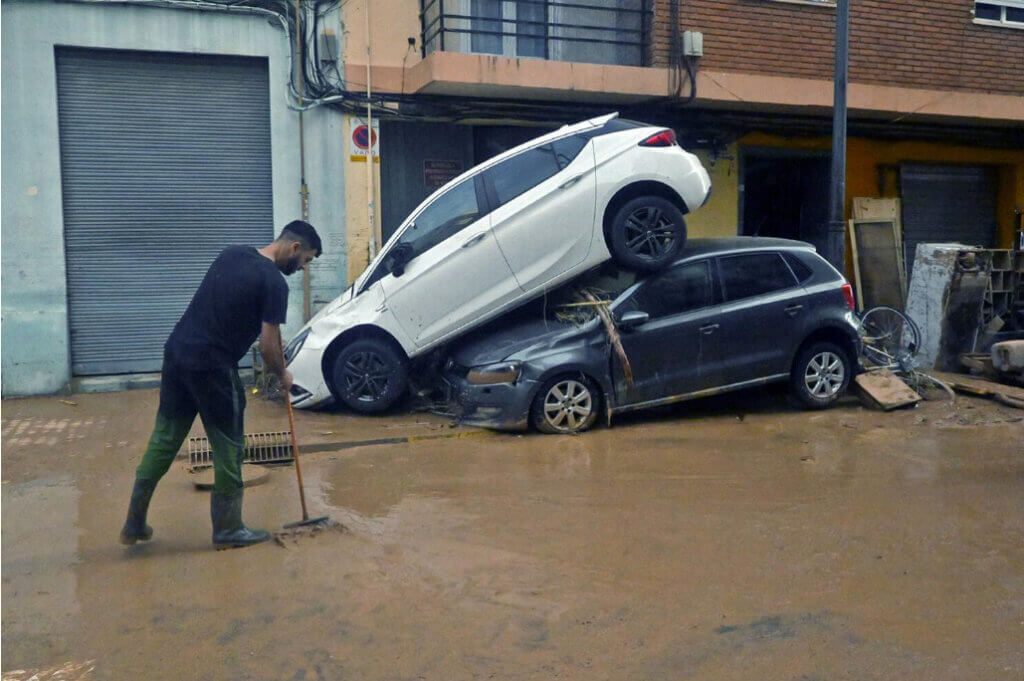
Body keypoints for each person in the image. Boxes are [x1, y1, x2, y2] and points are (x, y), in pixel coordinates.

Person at [119, 220, 322, 550]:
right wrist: (282, 374)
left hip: (177, 353)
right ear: (295, 248)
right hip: (213, 364)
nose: (303, 268)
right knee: (229, 444)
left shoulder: (233, 254)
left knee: (165, 437)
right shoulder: (274, 282)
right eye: (306, 261)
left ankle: (134, 521)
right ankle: (228, 529)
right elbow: (269, 347)